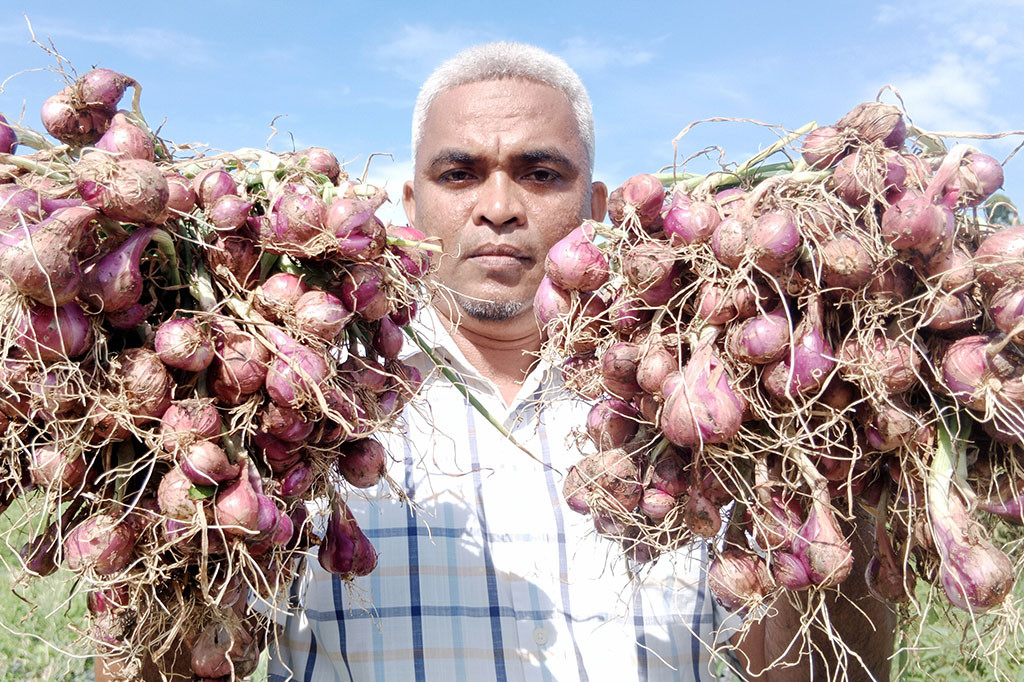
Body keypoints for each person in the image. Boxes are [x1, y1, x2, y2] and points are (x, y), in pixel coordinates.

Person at [265, 42, 896, 682]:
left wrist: (839, 462)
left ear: (596, 208)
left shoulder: (708, 409)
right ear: (409, 205)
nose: (499, 207)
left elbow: (799, 668)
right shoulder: (309, 409)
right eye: (459, 174)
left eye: (541, 175)